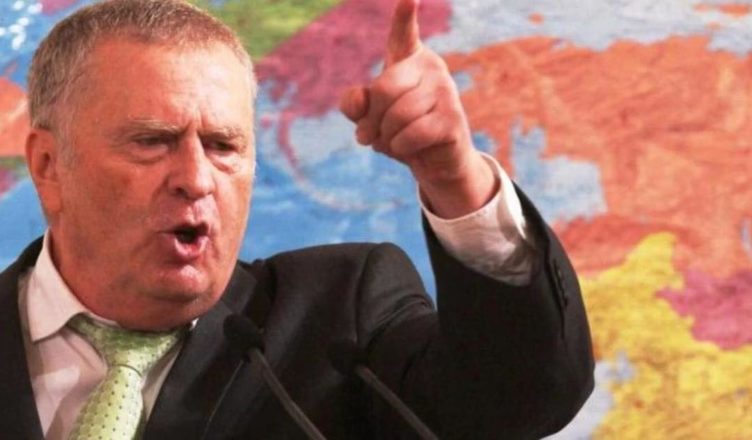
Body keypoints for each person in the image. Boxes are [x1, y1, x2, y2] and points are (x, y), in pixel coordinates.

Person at [0, 0, 594, 438]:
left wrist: (454, 178)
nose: (197, 178)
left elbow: (518, 401)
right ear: (49, 166)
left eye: (223, 146)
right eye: (153, 141)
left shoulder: (337, 323)